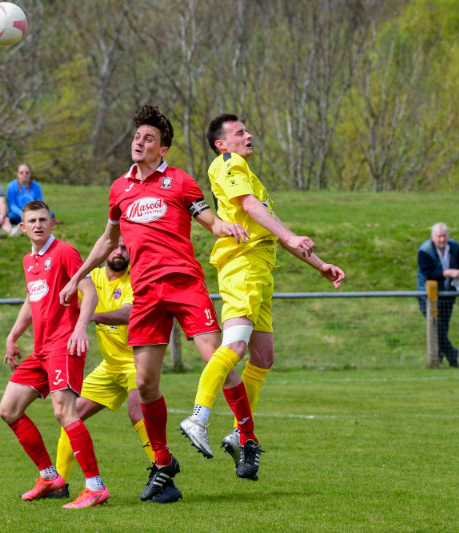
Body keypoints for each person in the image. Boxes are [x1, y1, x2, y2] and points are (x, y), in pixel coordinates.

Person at [58, 104, 249, 502]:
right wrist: (77, 276)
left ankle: (247, 438)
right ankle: (163, 463)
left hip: (184, 284)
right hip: (145, 293)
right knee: (145, 384)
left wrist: (224, 226)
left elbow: (209, 219)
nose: (139, 142)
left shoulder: (179, 181)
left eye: (149, 139)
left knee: (215, 356)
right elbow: (108, 240)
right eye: (137, 137)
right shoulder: (119, 188)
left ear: (163, 149)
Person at [179, 114, 345, 480]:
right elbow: (251, 207)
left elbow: (270, 224)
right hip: (242, 265)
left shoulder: (249, 176)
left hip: (260, 268)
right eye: (240, 132)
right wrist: (289, 236)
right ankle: (198, 417)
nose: (249, 135)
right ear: (222, 144)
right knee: (235, 346)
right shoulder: (229, 162)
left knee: (263, 357)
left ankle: (240, 433)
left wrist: (319, 265)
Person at [0, 200, 109, 509]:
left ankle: (95, 487)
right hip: (41, 350)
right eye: (32, 221)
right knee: (8, 410)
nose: (38, 225)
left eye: (43, 219)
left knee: (64, 412)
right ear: (23, 227)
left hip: (64, 345)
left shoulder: (65, 252)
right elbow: (31, 299)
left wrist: (80, 328)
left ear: (52, 223)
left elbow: (90, 293)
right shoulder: (28, 260)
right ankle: (49, 477)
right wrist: (12, 336)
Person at [53, 237, 181, 504]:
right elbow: (65, 298)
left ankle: (165, 480)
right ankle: (59, 483)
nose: (120, 252)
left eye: (125, 248)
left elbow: (128, 313)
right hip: (109, 366)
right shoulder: (93, 278)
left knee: (138, 414)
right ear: (105, 250)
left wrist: (89, 316)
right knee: (70, 415)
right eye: (115, 247)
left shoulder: (137, 280)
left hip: (136, 361)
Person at [416, 222, 459, 368]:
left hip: (448, 294)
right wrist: (447, 273)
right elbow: (428, 273)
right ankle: (452, 355)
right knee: (435, 327)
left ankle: (438, 358)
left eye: (444, 236)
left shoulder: (454, 247)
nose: (442, 240)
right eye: (439, 237)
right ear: (433, 237)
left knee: (443, 328)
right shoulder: (424, 251)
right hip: (428, 296)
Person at [7, 163, 49, 232]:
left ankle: (28, 223)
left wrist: (32, 213)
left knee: (50, 214)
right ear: (17, 174)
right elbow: (12, 205)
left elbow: (39, 203)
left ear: (30, 174)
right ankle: (27, 224)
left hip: (33, 213)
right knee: (11, 216)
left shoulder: (36, 186)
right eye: (21, 173)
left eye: (27, 172)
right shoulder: (11, 186)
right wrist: (22, 214)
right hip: (18, 214)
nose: (24, 174)